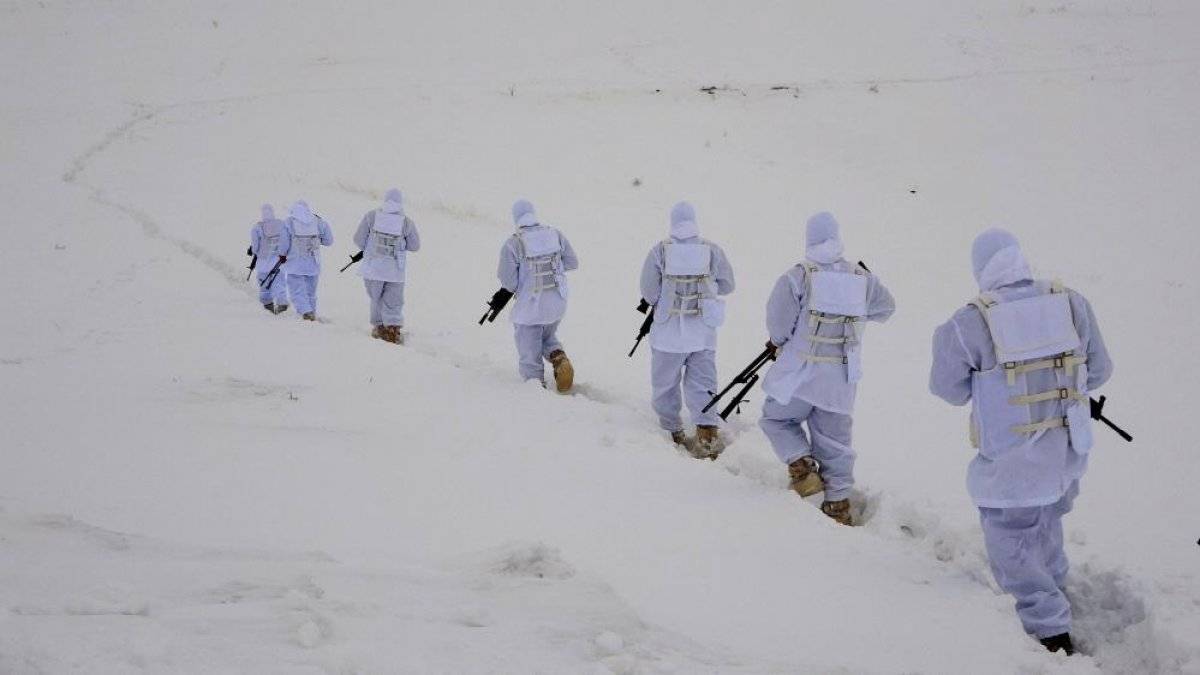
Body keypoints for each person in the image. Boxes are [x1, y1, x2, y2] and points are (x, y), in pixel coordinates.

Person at [929, 228, 1113, 655]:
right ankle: (1054, 589)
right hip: (1067, 451)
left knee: (1012, 536)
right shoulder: (1071, 301)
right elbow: (1100, 369)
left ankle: (1048, 627)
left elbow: (948, 390)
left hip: (1011, 459)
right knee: (1046, 520)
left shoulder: (968, 321)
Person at [757, 212, 895, 525]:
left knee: (776, 419)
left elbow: (778, 323)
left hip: (800, 375)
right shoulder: (862, 278)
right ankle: (838, 504)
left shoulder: (798, 276)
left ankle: (801, 466)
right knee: (835, 442)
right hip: (841, 379)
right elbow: (886, 307)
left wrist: (779, 342)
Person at [639, 202, 735, 457]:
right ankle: (706, 432)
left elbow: (648, 291)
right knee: (703, 381)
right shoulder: (712, 250)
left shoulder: (660, 250)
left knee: (665, 384)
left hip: (668, 334)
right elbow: (728, 285)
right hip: (702, 332)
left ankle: (673, 430)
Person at [497, 199, 578, 391]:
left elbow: (508, 281)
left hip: (531, 307)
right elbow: (572, 262)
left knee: (528, 347)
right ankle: (559, 357)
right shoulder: (555, 234)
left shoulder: (514, 243)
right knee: (546, 336)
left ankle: (534, 386)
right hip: (557, 303)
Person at [353, 188, 420, 343]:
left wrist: (369, 249)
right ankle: (393, 328)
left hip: (373, 269)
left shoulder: (371, 216)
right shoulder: (406, 222)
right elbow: (415, 246)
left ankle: (379, 327)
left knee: (376, 298)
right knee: (393, 300)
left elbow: (358, 239)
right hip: (395, 271)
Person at [278, 200, 333, 321]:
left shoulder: (289, 223)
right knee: (311, 292)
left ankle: (306, 312)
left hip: (295, 264)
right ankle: (311, 311)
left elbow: (283, 243)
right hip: (313, 263)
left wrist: (282, 255)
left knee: (297, 290)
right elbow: (329, 241)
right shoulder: (318, 221)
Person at [249, 204, 288, 314]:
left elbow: (255, 248)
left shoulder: (257, 227)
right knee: (279, 282)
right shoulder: (281, 224)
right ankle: (282, 302)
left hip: (263, 262)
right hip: (278, 261)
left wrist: (254, 251)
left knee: (264, 283)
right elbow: (286, 241)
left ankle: (267, 304)